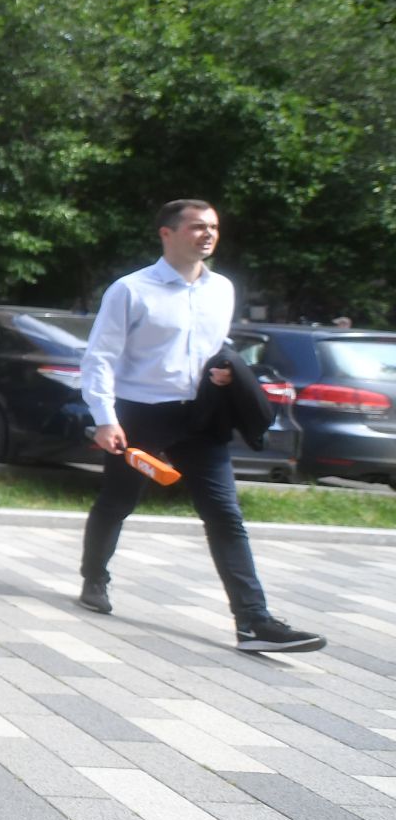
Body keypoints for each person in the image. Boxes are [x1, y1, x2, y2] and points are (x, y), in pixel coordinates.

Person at [77, 199, 324, 652]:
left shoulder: (222, 289)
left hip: (200, 416)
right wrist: (105, 420)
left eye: (212, 227)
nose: (207, 234)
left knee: (225, 514)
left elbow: (213, 347)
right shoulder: (130, 290)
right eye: (196, 227)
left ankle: (253, 621)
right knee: (118, 500)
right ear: (166, 234)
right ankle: (94, 578)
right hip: (140, 416)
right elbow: (100, 359)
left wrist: (225, 374)